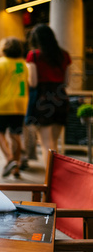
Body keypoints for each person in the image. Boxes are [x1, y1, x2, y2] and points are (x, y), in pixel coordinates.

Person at [26, 24, 71, 165]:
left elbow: (32, 82)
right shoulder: (64, 55)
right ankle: (55, 176)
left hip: (42, 98)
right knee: (55, 144)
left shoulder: (33, 55)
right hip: (60, 97)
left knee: (46, 144)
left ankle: (50, 181)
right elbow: (67, 82)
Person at [0, 37, 29, 178]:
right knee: (15, 134)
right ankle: (16, 168)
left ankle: (9, 158)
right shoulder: (24, 64)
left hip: (4, 103)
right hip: (21, 103)